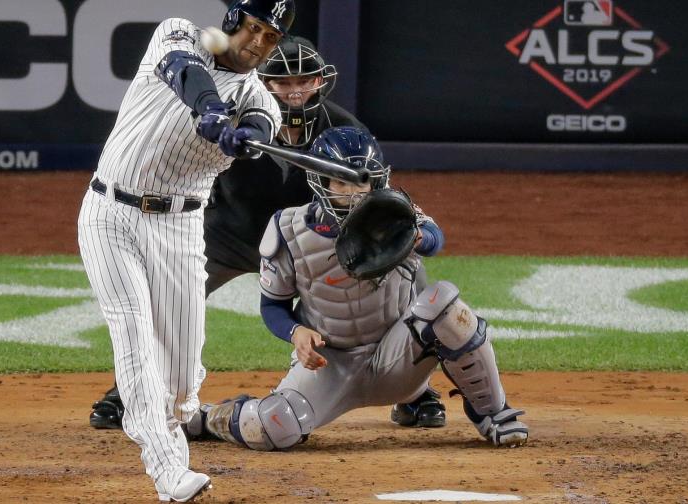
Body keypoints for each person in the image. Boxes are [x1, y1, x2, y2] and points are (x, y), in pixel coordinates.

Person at [89, 37, 447, 432]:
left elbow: (374, 198)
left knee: (402, 270)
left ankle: (417, 391)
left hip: (310, 240)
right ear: (263, 82)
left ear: (320, 81)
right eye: (282, 82)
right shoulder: (237, 115)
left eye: (305, 80)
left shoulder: (346, 129)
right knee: (166, 303)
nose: (295, 91)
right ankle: (129, 391)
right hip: (230, 233)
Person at [184, 126, 530, 452]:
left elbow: (435, 240)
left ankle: (492, 413)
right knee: (273, 426)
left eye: (361, 183)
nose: (353, 193)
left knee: (446, 306)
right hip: (330, 365)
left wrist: (414, 235)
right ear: (321, 181)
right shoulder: (287, 229)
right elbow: (272, 306)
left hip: (397, 359)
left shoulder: (397, 214)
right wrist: (296, 332)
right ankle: (209, 419)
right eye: (341, 182)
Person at [77, 1, 295, 501]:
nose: (258, 43)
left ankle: (170, 420)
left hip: (180, 228)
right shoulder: (177, 33)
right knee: (134, 337)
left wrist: (246, 140)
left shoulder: (262, 101)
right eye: (255, 29)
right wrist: (210, 110)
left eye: (271, 37)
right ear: (234, 21)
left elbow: (260, 127)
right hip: (111, 215)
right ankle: (168, 469)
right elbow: (186, 72)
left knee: (180, 386)